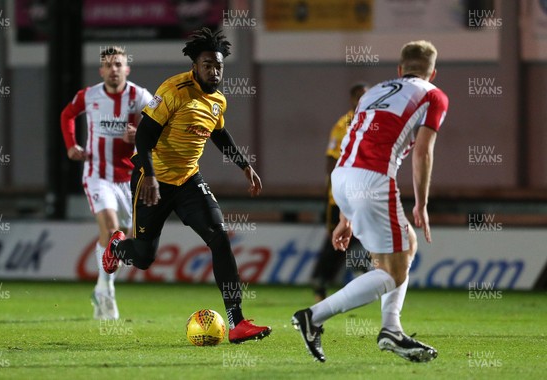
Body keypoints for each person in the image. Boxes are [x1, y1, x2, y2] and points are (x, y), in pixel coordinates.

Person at [101, 27, 271, 343]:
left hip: (189, 180)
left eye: (218, 65)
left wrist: (245, 166)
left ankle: (237, 323)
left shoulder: (218, 100)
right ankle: (116, 246)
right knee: (143, 258)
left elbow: (219, 133)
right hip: (151, 179)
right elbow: (144, 136)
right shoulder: (174, 91)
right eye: (207, 64)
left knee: (220, 239)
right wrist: (149, 176)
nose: (214, 70)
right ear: (195, 65)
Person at [292, 40, 449, 363]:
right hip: (374, 179)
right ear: (432, 73)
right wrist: (422, 203)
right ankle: (314, 316)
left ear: (399, 69)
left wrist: (345, 216)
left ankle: (391, 329)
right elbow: (423, 151)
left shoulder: (372, 92)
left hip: (343, 176)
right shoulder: (433, 95)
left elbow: (353, 140)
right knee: (394, 271)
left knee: (406, 243)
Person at [60, 46, 152, 320]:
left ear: (127, 69)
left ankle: (101, 287)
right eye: (109, 65)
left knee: (122, 237)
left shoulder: (139, 96)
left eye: (118, 64)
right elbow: (67, 115)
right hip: (97, 175)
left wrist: (140, 135)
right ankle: (107, 290)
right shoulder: (89, 95)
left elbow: (161, 125)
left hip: (129, 179)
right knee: (113, 230)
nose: (114, 69)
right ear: (101, 71)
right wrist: (71, 145)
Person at [311, 83, 369, 302]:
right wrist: (336, 187)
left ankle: (362, 269)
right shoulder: (343, 124)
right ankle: (321, 280)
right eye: (360, 97)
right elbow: (330, 160)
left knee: (361, 235)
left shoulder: (371, 123)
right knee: (336, 242)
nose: (364, 101)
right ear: (353, 100)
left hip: (364, 195)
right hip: (340, 198)